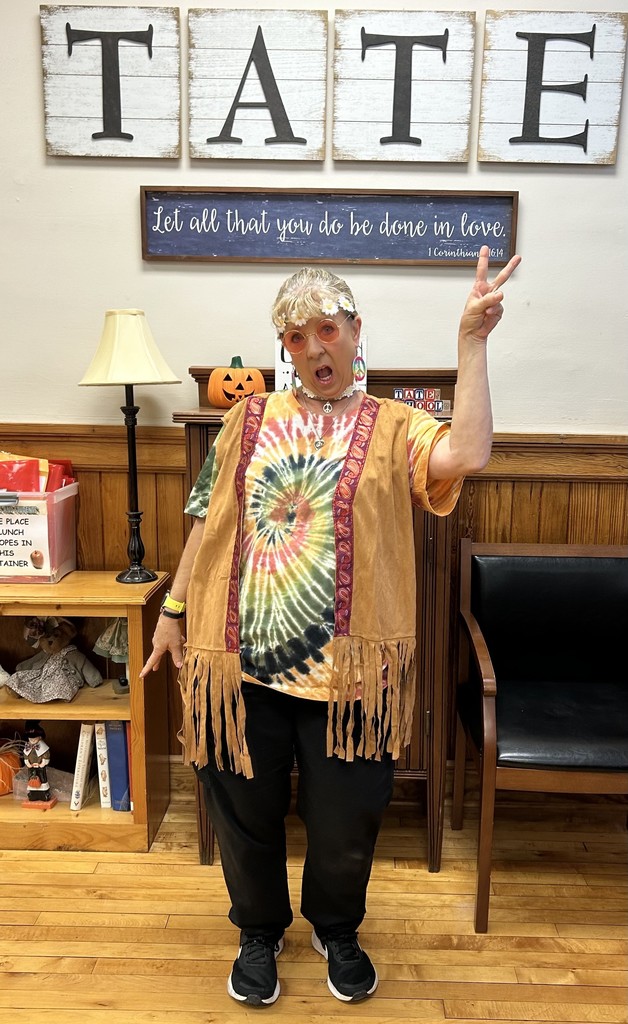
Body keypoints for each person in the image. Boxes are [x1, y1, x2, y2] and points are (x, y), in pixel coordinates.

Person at [141, 244, 521, 1006]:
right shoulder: (245, 420)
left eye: (327, 329)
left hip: (352, 677)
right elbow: (207, 529)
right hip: (239, 662)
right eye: (296, 337)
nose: (315, 348)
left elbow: (469, 450)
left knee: (348, 818)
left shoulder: (397, 426)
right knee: (242, 810)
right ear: (284, 349)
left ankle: (336, 926)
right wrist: (173, 614)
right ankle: (257, 929)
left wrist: (472, 344)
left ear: (354, 329)